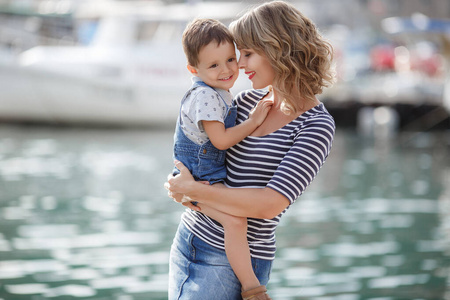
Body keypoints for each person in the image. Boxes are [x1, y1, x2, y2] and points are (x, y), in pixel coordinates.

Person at [166, 1, 336, 299]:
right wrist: (178, 185)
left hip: (231, 261)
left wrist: (194, 191)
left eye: (247, 54)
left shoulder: (315, 124)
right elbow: (200, 155)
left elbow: (269, 204)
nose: (240, 66)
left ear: (278, 49)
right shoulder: (243, 103)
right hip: (189, 239)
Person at [171, 18, 273, 299]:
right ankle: (252, 288)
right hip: (203, 177)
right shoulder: (204, 95)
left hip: (204, 176)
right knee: (236, 222)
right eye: (214, 65)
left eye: (231, 59)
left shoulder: (220, 92)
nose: (227, 69)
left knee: (236, 221)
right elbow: (221, 140)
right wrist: (253, 122)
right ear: (194, 70)